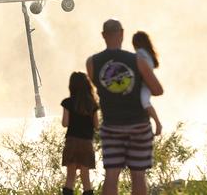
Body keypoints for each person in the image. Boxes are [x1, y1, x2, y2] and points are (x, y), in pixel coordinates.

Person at [86, 19, 164, 195]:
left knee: (112, 174)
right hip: (138, 124)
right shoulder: (137, 60)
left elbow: (99, 86)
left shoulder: (92, 63)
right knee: (138, 175)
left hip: (111, 125)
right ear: (122, 33)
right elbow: (158, 90)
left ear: (103, 36)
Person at [60, 72, 99, 195]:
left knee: (70, 177)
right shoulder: (92, 104)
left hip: (72, 141)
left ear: (71, 86)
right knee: (85, 176)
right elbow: (97, 125)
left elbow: (65, 123)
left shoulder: (67, 102)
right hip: (86, 142)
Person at [132, 31, 162, 137]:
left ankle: (158, 123)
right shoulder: (148, 53)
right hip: (145, 83)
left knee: (144, 101)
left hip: (144, 84)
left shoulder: (140, 53)